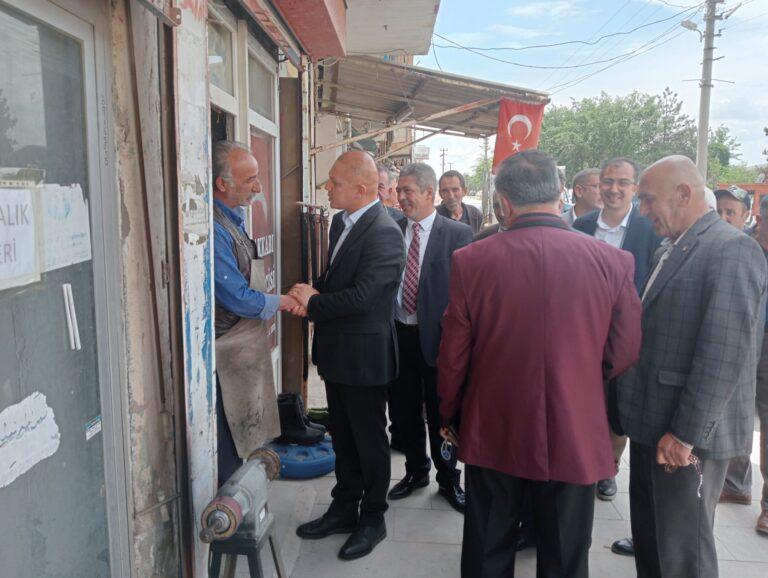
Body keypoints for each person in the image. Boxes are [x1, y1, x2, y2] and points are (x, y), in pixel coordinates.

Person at [438, 149, 642, 578]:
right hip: (575, 423)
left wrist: (450, 413)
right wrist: (580, 376)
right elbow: (624, 351)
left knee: (487, 547)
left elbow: (454, 354)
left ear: (504, 203)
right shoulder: (613, 261)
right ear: (560, 193)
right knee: (566, 554)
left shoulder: (472, 260)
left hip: (495, 422)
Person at [618, 155, 767, 578]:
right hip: (654, 424)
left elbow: (723, 355)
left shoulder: (731, 250)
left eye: (648, 200)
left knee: (682, 553)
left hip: (685, 437)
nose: (642, 211)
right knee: (653, 542)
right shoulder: (676, 245)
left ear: (684, 193)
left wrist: (685, 434)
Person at [291, 151, 406, 561]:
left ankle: (373, 517)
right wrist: (309, 295)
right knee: (343, 434)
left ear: (361, 189)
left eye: (334, 182)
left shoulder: (385, 232)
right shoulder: (342, 220)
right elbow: (335, 277)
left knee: (370, 440)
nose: (327, 187)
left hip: (364, 356)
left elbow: (364, 297)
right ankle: (344, 506)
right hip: (337, 351)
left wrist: (316, 302)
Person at [573, 157, 661, 504]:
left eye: (622, 183)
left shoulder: (648, 229)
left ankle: (608, 468)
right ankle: (582, 459)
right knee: (583, 400)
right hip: (583, 332)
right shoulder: (580, 225)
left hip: (627, 334)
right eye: (607, 181)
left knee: (618, 406)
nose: (613, 189)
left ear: (634, 188)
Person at [386, 163, 473, 513]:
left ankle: (449, 478)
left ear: (428, 193)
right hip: (398, 335)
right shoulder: (391, 228)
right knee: (404, 411)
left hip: (438, 341)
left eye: (408, 190)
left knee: (442, 414)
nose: (401, 197)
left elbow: (463, 293)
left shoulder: (456, 234)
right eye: (399, 191)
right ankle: (415, 471)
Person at [212, 140, 299, 484]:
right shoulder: (215, 228)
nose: (258, 187)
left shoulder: (235, 219)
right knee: (229, 433)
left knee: (246, 428)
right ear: (223, 184)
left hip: (243, 343)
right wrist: (284, 301)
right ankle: (229, 506)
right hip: (226, 350)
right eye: (250, 179)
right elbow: (237, 297)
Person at [437, 170, 484, 234]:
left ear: (464, 191)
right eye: (445, 191)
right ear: (440, 194)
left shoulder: (475, 215)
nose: (451, 196)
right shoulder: (433, 216)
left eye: (455, 190)